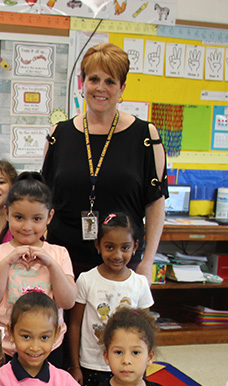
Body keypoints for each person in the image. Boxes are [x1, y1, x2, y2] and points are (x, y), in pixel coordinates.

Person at [42, 42, 167, 280]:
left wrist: (148, 262)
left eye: (110, 81)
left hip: (121, 261)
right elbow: (44, 201)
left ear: (122, 88)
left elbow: (155, 204)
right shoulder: (59, 134)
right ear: (83, 83)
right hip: (64, 262)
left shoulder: (146, 136)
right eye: (94, 79)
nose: (101, 88)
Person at [0, 172, 76, 364]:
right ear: (6, 213)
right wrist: (7, 262)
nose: (27, 226)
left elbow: (68, 301)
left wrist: (50, 264)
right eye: (19, 217)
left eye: (37, 219)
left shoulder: (59, 253)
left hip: (47, 347)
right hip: (4, 347)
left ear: (50, 217)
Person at [68, 212, 154, 386]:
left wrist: (143, 364)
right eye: (109, 247)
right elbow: (75, 324)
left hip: (127, 364)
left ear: (135, 247)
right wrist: (75, 366)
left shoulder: (139, 283)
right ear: (98, 245)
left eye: (125, 248)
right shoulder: (86, 280)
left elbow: (147, 328)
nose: (117, 255)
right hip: (91, 363)